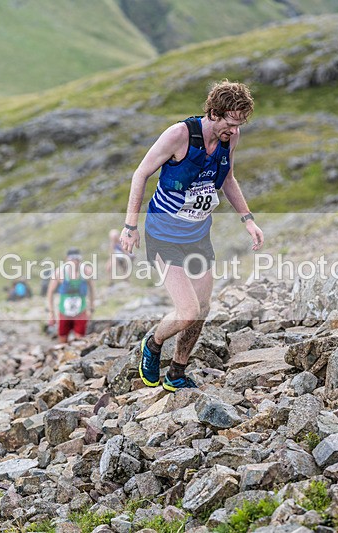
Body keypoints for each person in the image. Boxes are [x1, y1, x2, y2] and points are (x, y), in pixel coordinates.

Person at [120, 80, 264, 392]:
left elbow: (228, 178)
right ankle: (154, 342)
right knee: (187, 312)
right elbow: (140, 174)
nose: (234, 130)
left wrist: (248, 219)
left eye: (240, 123)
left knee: (203, 307)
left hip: (198, 235)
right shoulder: (179, 135)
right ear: (214, 113)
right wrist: (130, 226)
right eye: (230, 123)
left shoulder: (231, 138)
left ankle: (177, 370)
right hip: (164, 233)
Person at [46, 248, 96, 344]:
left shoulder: (86, 271)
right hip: (64, 310)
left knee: (80, 339)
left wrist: (91, 308)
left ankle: (78, 357)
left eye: (77, 259)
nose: (74, 262)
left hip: (81, 309)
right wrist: (51, 313)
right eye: (72, 259)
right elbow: (50, 292)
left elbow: (92, 290)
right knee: (63, 338)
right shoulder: (59, 272)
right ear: (67, 259)